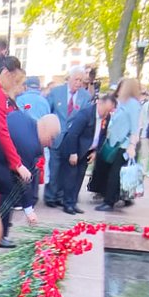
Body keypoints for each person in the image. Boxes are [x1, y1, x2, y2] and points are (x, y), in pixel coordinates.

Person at [0, 55, 34, 243]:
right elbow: (2, 131)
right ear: (5, 73)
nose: (17, 86)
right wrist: (17, 164)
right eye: (16, 80)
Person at [59, 94, 115, 214]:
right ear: (99, 103)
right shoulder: (85, 114)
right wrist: (73, 153)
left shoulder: (107, 117)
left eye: (109, 111)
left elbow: (103, 135)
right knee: (71, 177)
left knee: (79, 177)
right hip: (74, 149)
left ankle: (73, 202)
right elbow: (73, 134)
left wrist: (95, 151)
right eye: (105, 110)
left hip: (87, 151)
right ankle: (67, 203)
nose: (106, 113)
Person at [94, 79, 142, 211]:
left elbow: (134, 127)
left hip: (124, 145)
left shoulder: (132, 104)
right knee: (114, 172)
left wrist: (132, 145)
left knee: (115, 173)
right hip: (115, 143)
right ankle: (116, 197)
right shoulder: (122, 103)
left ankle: (109, 201)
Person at [45, 65, 89, 207]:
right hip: (57, 136)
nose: (78, 83)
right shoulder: (56, 92)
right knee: (54, 167)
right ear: (69, 78)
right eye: (76, 79)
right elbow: (48, 111)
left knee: (67, 169)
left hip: (72, 138)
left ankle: (61, 196)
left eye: (81, 81)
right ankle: (50, 196)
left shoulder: (85, 96)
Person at [8, 111, 62, 221]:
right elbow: (24, 179)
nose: (50, 144)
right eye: (51, 138)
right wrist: (29, 210)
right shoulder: (30, 145)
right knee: (3, 202)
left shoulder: (23, 117)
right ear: (45, 129)